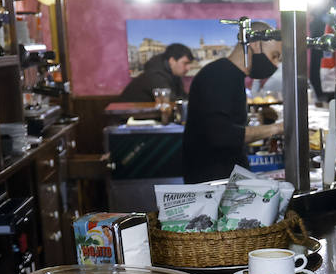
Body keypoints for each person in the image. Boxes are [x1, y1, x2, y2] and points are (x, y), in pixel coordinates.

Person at [181, 35, 283, 182]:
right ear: (255, 44)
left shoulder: (231, 75)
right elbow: (222, 135)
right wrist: (278, 128)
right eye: (274, 56)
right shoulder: (218, 76)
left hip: (226, 178)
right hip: (212, 183)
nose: (275, 64)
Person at [120, 42, 194, 103]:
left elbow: (183, 98)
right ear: (172, 61)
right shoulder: (155, 75)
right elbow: (172, 103)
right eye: (185, 63)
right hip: (125, 118)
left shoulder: (173, 75)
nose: (189, 68)